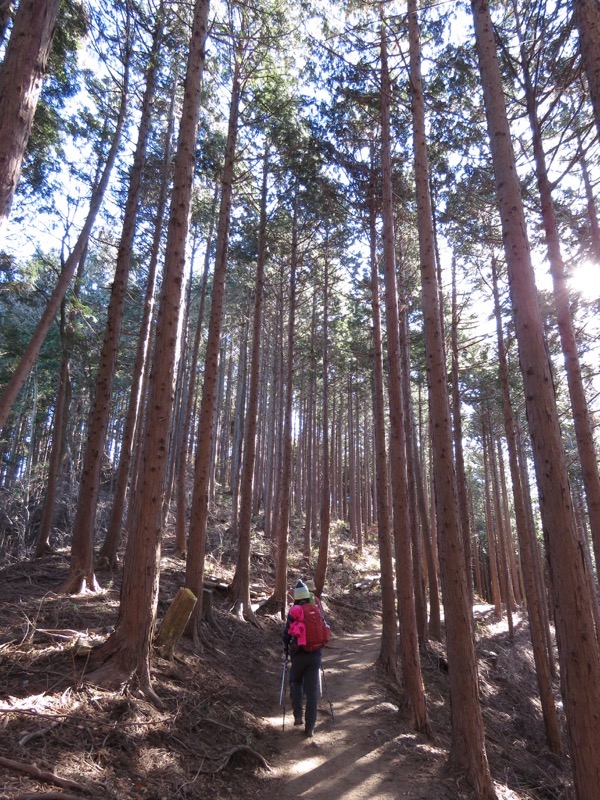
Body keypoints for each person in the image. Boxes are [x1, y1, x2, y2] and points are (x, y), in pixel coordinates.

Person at [283, 579, 329, 738]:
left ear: (296, 596)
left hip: (299, 655)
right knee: (312, 691)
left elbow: (287, 634)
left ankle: (297, 716)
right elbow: (324, 628)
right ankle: (310, 727)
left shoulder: (294, 611)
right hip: (315, 655)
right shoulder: (315, 609)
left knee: (296, 682)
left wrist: (285, 649)